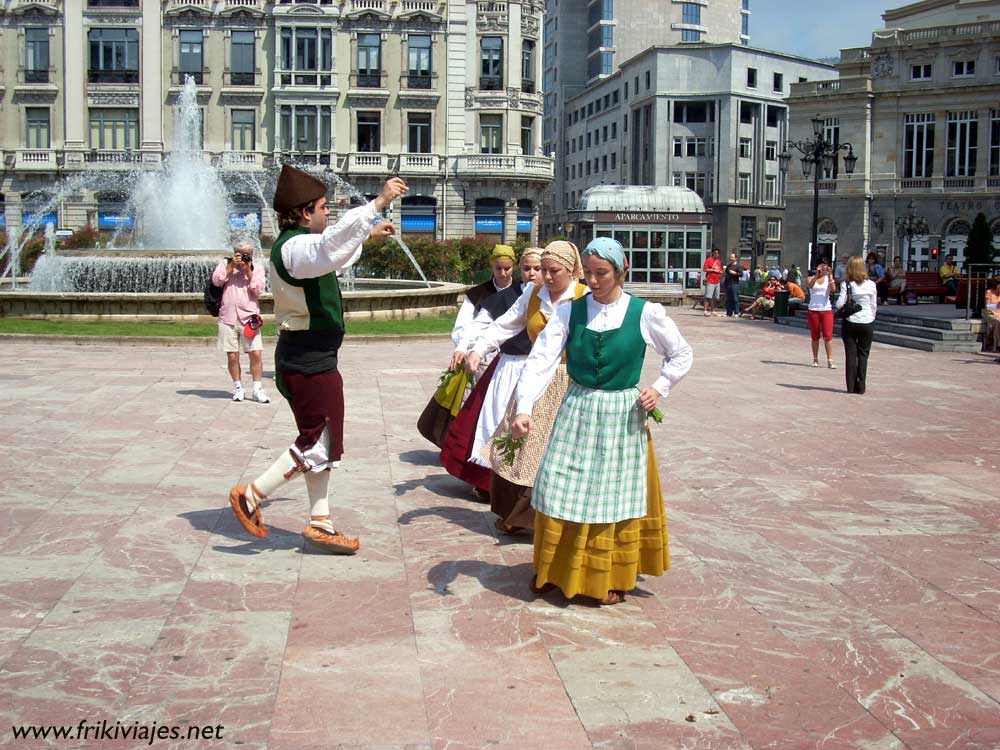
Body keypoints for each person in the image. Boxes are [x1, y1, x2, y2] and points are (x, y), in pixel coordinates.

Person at [227, 166, 406, 554]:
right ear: (306, 212)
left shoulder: (302, 247)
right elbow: (327, 250)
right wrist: (377, 204)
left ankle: (320, 521)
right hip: (308, 360)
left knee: (320, 438)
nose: (330, 213)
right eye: (325, 207)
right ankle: (252, 495)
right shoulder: (294, 247)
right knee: (317, 441)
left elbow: (333, 257)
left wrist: (367, 234)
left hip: (311, 357)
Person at [510, 237, 693, 605]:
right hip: (577, 407)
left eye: (602, 273)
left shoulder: (644, 313)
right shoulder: (569, 311)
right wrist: (524, 406)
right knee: (557, 486)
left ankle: (606, 576)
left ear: (620, 271)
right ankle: (552, 569)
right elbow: (541, 359)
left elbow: (681, 354)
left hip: (620, 415)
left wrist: (659, 387)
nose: (593, 281)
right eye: (589, 273)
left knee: (610, 497)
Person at [465, 241, 589, 534]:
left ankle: (556, 518)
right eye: (542, 270)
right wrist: (478, 349)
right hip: (534, 379)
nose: (545, 277)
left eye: (553, 271)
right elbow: (504, 325)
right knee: (519, 446)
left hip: (571, 382)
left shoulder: (584, 298)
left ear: (571, 270)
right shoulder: (533, 294)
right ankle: (516, 515)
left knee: (556, 452)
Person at [440, 245, 524, 499]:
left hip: (529, 366)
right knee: (488, 418)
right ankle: (485, 477)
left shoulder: (539, 294)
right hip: (495, 360)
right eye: (498, 268)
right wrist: (467, 348)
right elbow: (478, 325)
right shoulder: (482, 294)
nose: (502, 272)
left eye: (507, 268)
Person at [212, 240, 268, 403]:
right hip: (228, 316)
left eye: (248, 255)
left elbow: (259, 291)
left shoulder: (257, 268)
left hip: (249, 317)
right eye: (242, 254)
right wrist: (231, 267)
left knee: (255, 353)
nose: (245, 257)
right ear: (234, 253)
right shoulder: (225, 264)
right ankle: (238, 387)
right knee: (232, 356)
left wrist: (247, 272)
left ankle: (257, 389)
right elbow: (217, 281)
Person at [835, 256, 878, 395]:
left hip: (851, 321)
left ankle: (851, 386)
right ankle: (861, 386)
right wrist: (871, 317)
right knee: (863, 355)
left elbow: (839, 304)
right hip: (867, 321)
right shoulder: (871, 284)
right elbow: (873, 305)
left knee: (851, 355)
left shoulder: (847, 284)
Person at [807, 259, 837, 368]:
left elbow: (833, 289)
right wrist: (816, 275)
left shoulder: (827, 279)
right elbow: (810, 286)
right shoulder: (811, 278)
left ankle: (830, 359)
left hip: (826, 309)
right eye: (820, 266)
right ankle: (815, 358)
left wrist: (830, 276)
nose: (822, 268)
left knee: (828, 336)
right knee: (815, 336)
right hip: (814, 309)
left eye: (824, 266)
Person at [702, 248, 723, 317]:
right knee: (708, 296)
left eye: (717, 253)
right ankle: (705, 311)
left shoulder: (719, 261)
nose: (716, 254)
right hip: (710, 280)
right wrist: (713, 270)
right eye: (715, 252)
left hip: (717, 281)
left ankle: (713, 310)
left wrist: (720, 272)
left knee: (715, 297)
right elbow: (705, 269)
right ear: (712, 253)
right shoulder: (709, 260)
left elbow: (720, 270)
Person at [982, 276, 1000, 354]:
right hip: (989, 313)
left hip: (999, 313)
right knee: (998, 322)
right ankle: (995, 346)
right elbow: (987, 306)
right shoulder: (989, 292)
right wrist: (997, 307)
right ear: (997, 284)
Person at [722, 251, 742, 318]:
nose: (731, 258)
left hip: (735, 284)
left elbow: (741, 274)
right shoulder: (728, 266)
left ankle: (736, 312)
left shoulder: (738, 266)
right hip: (728, 284)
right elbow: (726, 274)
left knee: (735, 299)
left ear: (736, 258)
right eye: (730, 257)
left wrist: (735, 273)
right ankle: (729, 312)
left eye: (732, 257)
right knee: (729, 299)